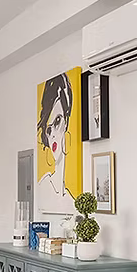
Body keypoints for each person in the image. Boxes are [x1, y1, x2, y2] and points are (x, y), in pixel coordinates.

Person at [36, 72, 76, 214]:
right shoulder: (42, 188)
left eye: (57, 121)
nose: (52, 134)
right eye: (49, 129)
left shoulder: (71, 201)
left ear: (66, 122)